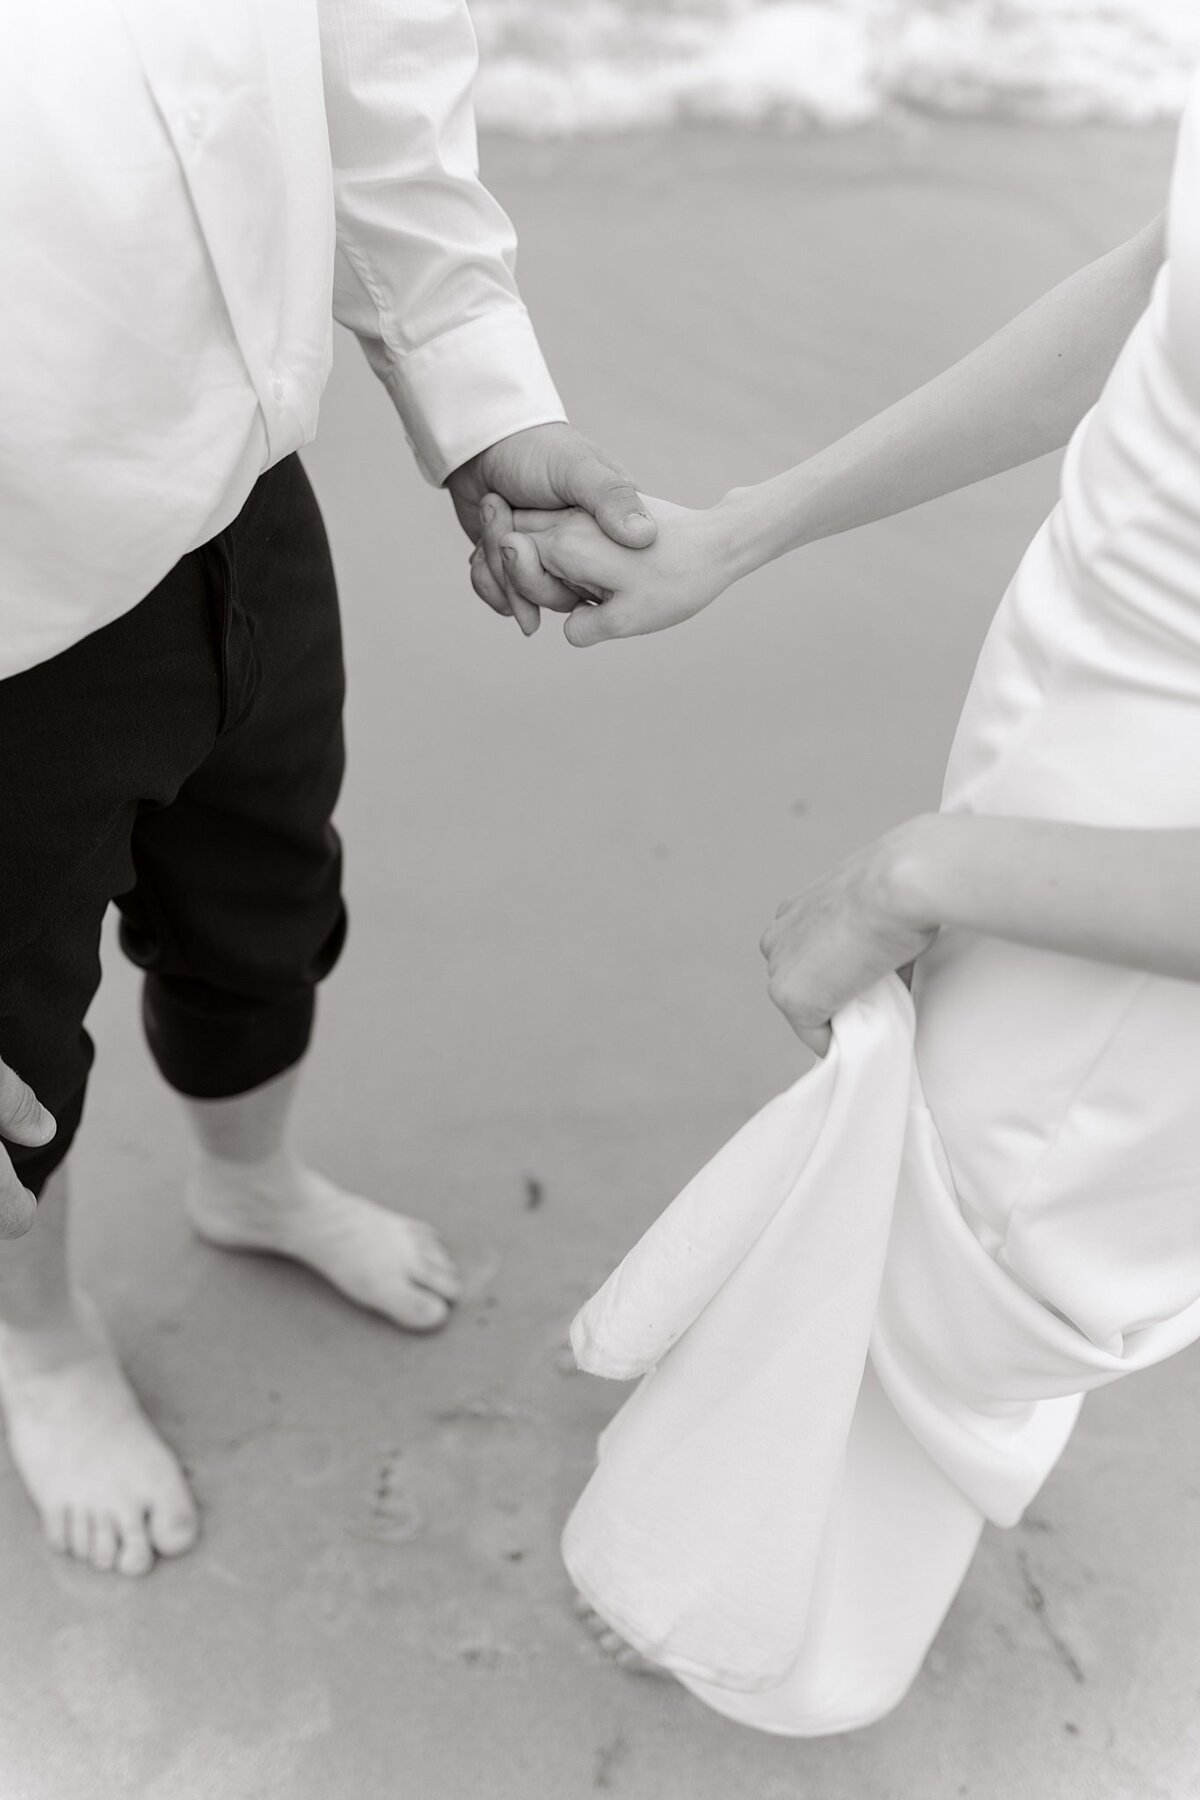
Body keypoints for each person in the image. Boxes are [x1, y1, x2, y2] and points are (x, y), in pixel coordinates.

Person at [506, 65, 1200, 1732]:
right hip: (1072, 688)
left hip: (1146, 880)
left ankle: (794, 1624)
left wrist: (918, 869)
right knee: (925, 1195)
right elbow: (1167, 280)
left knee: (973, 1259)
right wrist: (745, 531)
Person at [0, 0, 655, 1580]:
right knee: (10, 1063)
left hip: (241, 501)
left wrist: (479, 400)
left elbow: (377, 60)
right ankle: (38, 1340)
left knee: (267, 907)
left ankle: (250, 1182)